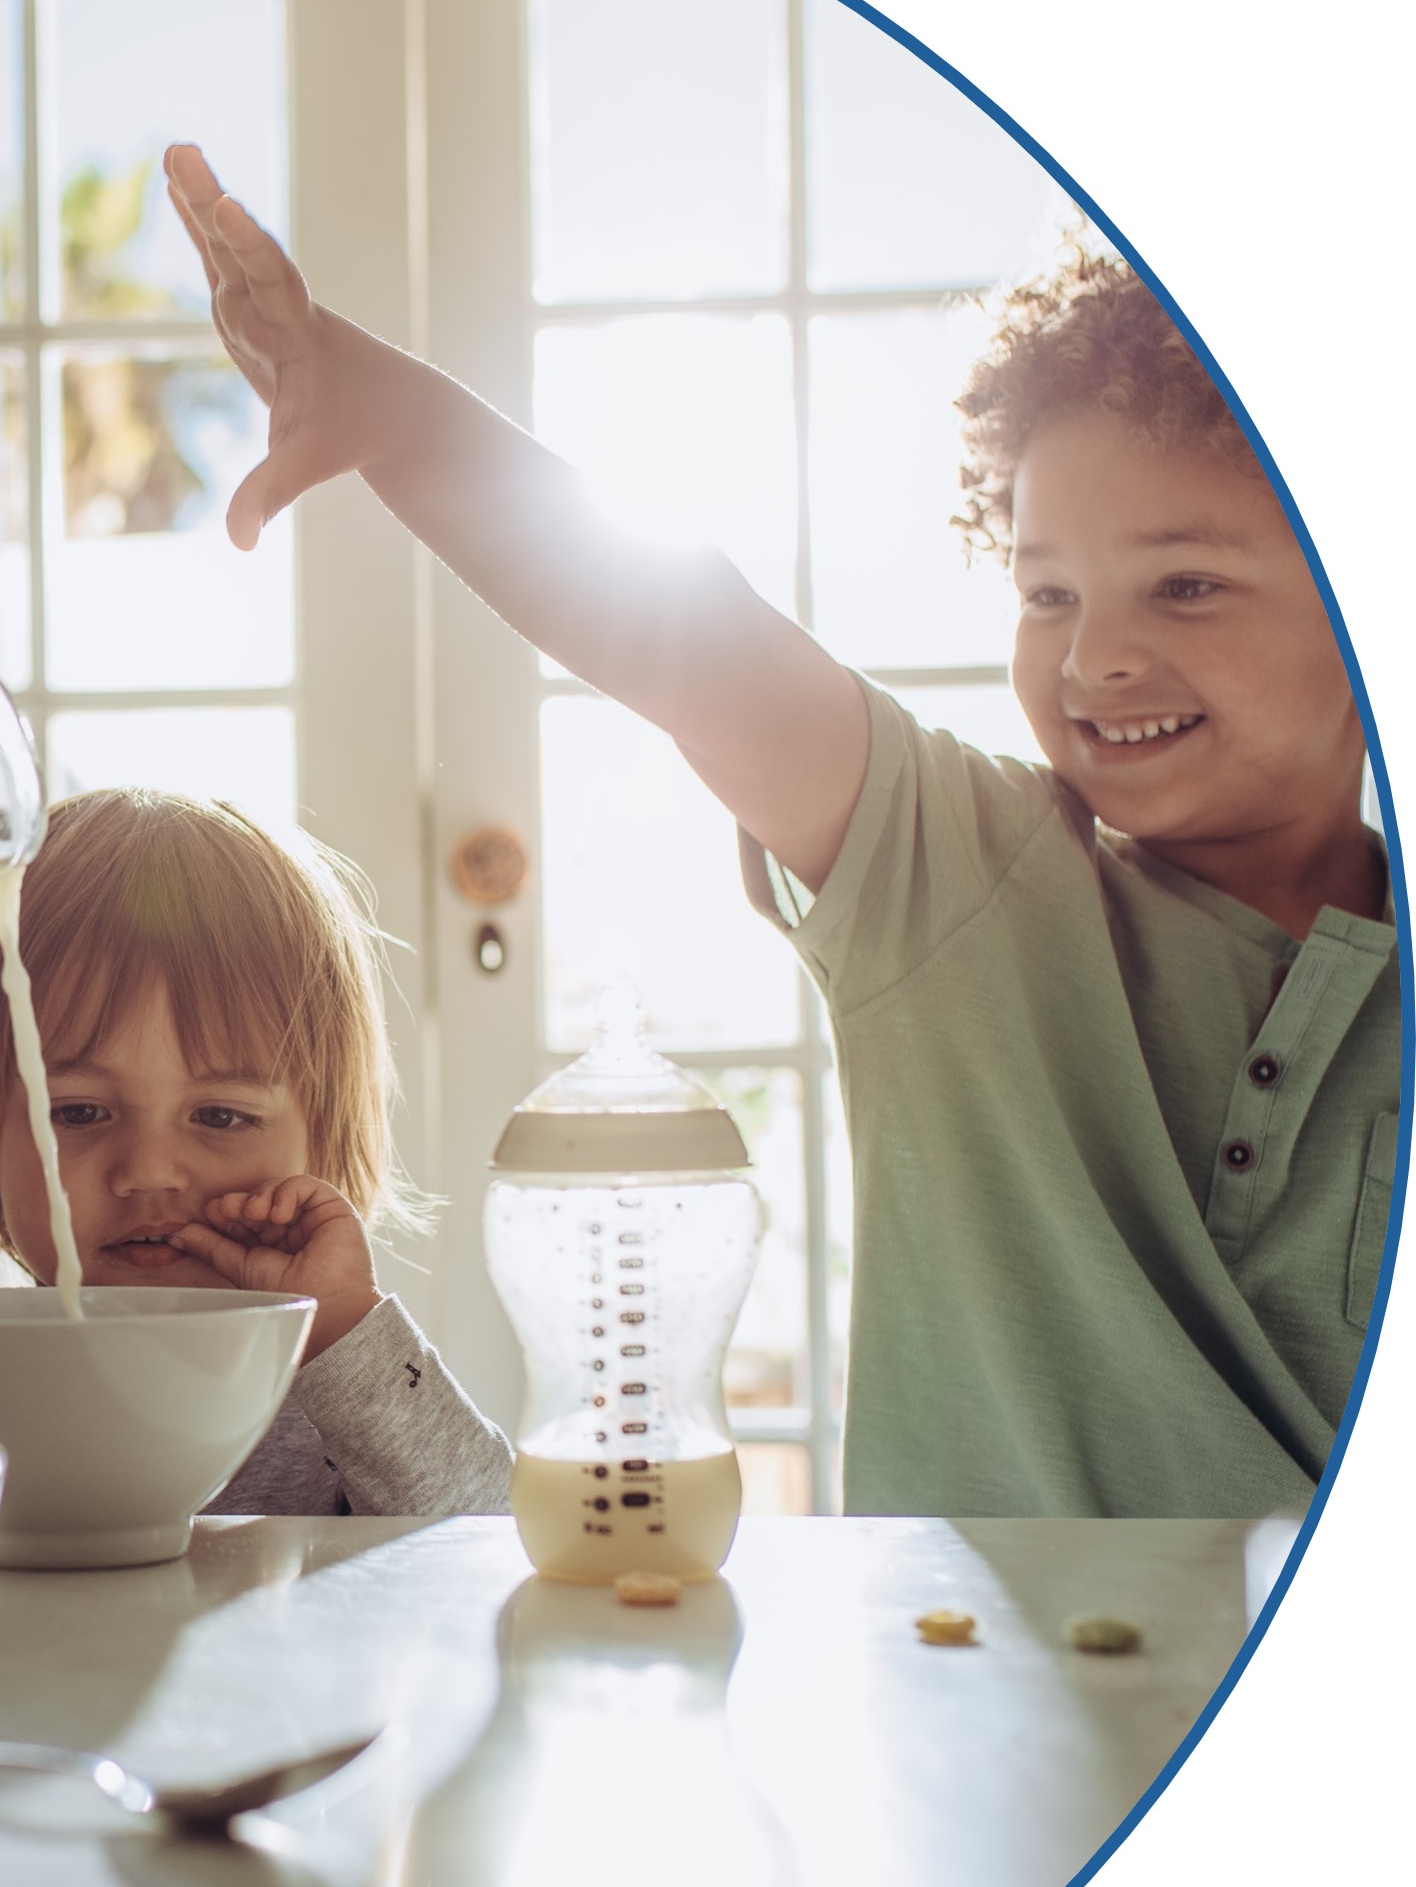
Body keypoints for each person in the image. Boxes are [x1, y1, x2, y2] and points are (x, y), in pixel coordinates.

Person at [163, 142, 1394, 1520]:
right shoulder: (963, 875)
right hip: (980, 1698)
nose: (1094, 656)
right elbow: (677, 628)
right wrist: (384, 414)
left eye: (1182, 585)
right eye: (1044, 594)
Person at [0, 788, 511, 1517]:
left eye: (220, 1115)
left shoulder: (339, 1393)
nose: (150, 1171)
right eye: (79, 1111)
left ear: (322, 1135)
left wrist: (345, 1331)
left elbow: (485, 1544)